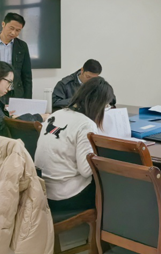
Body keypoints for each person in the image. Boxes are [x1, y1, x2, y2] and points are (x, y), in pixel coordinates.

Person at [34, 77, 114, 212]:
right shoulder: (86, 124)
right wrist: (102, 155)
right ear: (99, 104)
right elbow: (86, 171)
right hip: (65, 197)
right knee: (110, 185)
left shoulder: (56, 114)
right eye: (106, 106)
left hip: (42, 191)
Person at [52, 59, 117, 111]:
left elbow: (112, 100)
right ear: (82, 70)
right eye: (88, 77)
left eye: (94, 78)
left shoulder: (99, 83)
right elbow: (54, 102)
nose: (91, 80)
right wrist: (78, 100)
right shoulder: (65, 84)